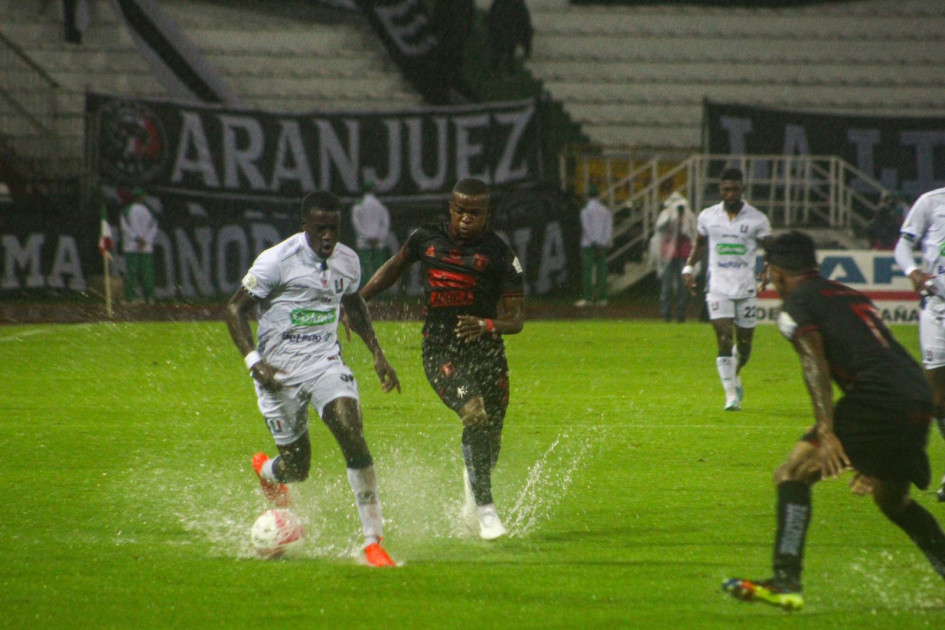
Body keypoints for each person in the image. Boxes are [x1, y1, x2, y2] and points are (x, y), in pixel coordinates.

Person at [723, 230, 945, 611]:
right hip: (916, 397)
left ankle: (786, 580)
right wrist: (870, 453)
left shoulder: (797, 305)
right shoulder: (848, 294)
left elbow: (815, 362)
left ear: (776, 273)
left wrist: (827, 432)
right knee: (893, 501)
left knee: (792, 473)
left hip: (876, 400)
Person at [224, 190, 401, 567]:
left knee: (351, 431)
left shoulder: (347, 261)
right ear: (304, 226)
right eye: (320, 229)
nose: (328, 236)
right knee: (297, 468)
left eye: (334, 228)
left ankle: (373, 542)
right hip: (278, 374)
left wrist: (377, 353)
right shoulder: (276, 261)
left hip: (324, 364)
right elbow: (235, 308)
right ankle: (268, 472)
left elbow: (353, 302)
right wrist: (255, 362)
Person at [360, 178, 525, 540]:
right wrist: (359, 299)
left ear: (487, 214)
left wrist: (486, 324)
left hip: (487, 352)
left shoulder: (500, 254)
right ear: (450, 209)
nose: (466, 218)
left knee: (490, 440)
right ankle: (486, 511)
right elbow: (393, 267)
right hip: (440, 350)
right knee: (474, 413)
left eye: (475, 213)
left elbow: (516, 320)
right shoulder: (426, 238)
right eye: (460, 211)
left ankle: (473, 482)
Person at [683, 168, 771, 410]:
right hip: (718, 287)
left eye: (734, 189)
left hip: (745, 288)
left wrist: (767, 268)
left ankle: (736, 371)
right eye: (726, 189)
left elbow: (770, 248)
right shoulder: (708, 216)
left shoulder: (757, 219)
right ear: (720, 190)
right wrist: (688, 267)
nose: (730, 194)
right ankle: (730, 395)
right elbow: (700, 243)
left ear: (742, 189)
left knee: (744, 347)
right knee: (723, 338)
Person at [894, 186, 945, 502]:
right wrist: (913, 270)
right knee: (937, 401)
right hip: (936, 310)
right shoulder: (930, 202)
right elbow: (903, 245)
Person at [653, 185, 696, 322]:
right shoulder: (666, 214)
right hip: (668, 255)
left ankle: (681, 314)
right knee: (666, 286)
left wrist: (682, 221)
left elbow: (692, 233)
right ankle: (665, 314)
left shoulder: (689, 216)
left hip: (683, 254)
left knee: (683, 287)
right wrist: (672, 218)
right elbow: (659, 228)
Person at [120, 187, 158, 304]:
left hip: (131, 247)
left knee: (132, 272)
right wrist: (145, 240)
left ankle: (130, 298)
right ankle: (149, 297)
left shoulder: (127, 210)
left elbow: (125, 228)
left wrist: (137, 239)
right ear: (142, 197)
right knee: (147, 273)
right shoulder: (149, 210)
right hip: (146, 247)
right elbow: (154, 228)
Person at [576, 184, 613, 307]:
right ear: (598, 195)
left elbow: (586, 227)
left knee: (587, 271)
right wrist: (602, 241)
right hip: (601, 244)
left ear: (588, 196)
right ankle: (603, 298)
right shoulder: (605, 210)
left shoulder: (585, 210)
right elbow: (608, 228)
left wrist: (593, 240)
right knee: (602, 271)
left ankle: (588, 298)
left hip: (588, 244)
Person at [351, 180, 391, 289]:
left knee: (366, 269)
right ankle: (380, 295)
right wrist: (379, 237)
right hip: (378, 242)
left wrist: (367, 237)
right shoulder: (380, 205)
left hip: (363, 242)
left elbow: (356, 223)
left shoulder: (358, 205)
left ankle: (366, 294)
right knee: (380, 270)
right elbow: (385, 223)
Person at [487, 0, 533, 77]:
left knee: (500, 52)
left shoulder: (499, 3)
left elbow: (491, 19)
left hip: (502, 33)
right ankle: (505, 71)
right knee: (506, 53)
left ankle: (497, 70)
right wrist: (527, 47)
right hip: (507, 33)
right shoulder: (518, 4)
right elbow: (525, 24)